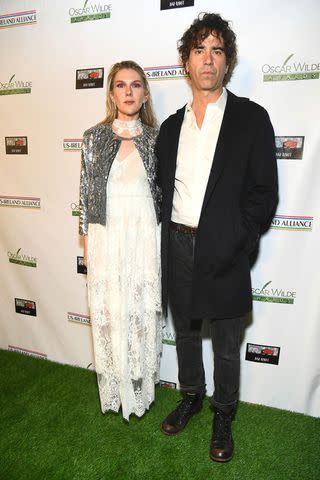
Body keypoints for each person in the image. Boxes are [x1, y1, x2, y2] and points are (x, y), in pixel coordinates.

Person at [156, 13, 278, 461]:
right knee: (186, 334)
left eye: (217, 50)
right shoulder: (170, 128)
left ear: (227, 62)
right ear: (186, 61)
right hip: (177, 245)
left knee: (226, 342)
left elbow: (264, 193)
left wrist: (238, 239)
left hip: (225, 248)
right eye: (199, 50)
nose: (208, 60)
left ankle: (223, 413)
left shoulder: (251, 118)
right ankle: (190, 395)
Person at [79, 60, 162, 421]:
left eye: (136, 85)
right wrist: (87, 240)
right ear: (111, 93)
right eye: (121, 85)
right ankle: (116, 389)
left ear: (145, 94)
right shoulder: (93, 137)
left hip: (145, 232)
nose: (128, 92)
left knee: (141, 308)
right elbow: (85, 196)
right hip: (106, 233)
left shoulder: (159, 138)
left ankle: (141, 391)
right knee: (112, 309)